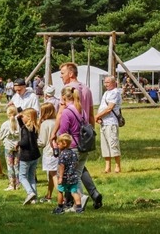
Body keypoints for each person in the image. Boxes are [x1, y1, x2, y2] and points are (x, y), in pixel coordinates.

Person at [56, 62, 102, 210]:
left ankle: (76, 201)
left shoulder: (68, 91)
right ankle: (94, 193)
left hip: (71, 137)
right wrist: (91, 135)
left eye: (62, 73)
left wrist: (54, 135)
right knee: (80, 168)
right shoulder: (87, 89)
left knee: (70, 171)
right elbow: (91, 113)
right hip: (84, 135)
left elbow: (61, 114)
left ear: (71, 74)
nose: (61, 76)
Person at [95, 75, 122, 174]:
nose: (105, 84)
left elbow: (109, 108)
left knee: (113, 144)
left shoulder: (115, 92)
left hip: (111, 122)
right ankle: (107, 167)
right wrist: (99, 118)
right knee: (105, 145)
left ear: (113, 83)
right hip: (104, 122)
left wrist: (96, 116)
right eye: (105, 82)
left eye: (107, 82)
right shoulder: (106, 93)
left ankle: (118, 166)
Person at [52, 133, 84, 214]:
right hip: (73, 176)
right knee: (74, 192)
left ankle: (59, 207)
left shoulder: (62, 154)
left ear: (64, 144)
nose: (57, 145)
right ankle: (79, 208)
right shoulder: (73, 153)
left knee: (60, 191)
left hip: (65, 177)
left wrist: (60, 177)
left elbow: (62, 166)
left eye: (58, 144)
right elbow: (76, 163)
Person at [17, 107, 40, 205]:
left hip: (26, 156)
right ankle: (34, 197)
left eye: (24, 117)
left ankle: (30, 193)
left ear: (29, 117)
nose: (22, 118)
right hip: (35, 155)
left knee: (22, 176)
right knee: (31, 177)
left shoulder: (25, 129)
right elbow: (21, 123)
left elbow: (25, 142)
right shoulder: (35, 127)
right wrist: (19, 116)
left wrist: (18, 143)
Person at [37, 103, 58, 203]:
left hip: (49, 152)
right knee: (51, 174)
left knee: (54, 175)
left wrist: (32, 142)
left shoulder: (45, 124)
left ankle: (61, 198)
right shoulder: (57, 121)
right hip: (59, 151)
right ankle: (48, 195)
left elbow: (42, 142)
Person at [0, 105, 20, 191]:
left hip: (8, 146)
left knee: (10, 166)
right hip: (18, 146)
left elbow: (1, 136)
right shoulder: (19, 123)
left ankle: (12, 184)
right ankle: (18, 184)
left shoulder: (5, 124)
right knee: (17, 166)